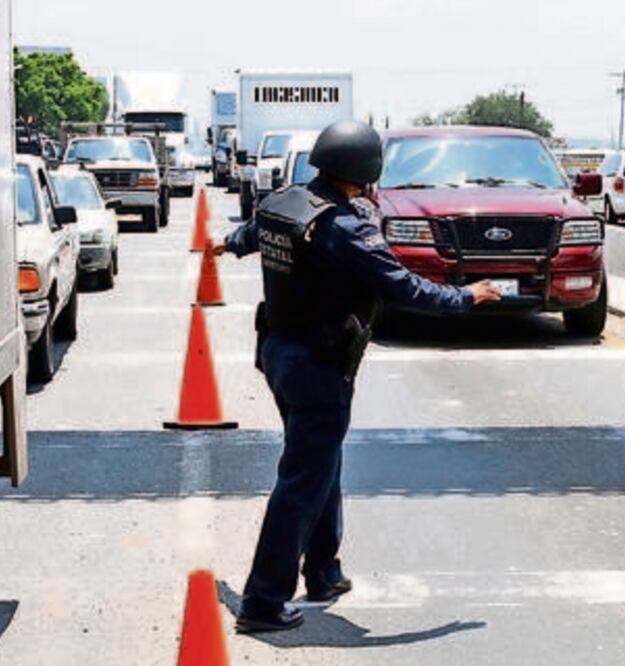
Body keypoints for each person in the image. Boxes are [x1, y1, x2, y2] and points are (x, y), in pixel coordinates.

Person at [215, 120, 501, 633]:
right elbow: (405, 288)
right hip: (320, 367)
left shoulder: (286, 203)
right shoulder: (347, 228)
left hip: (278, 354)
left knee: (321, 461)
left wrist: (228, 243)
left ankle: (323, 571)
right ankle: (263, 602)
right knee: (302, 479)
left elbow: (252, 234)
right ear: (367, 168)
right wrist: (466, 296)